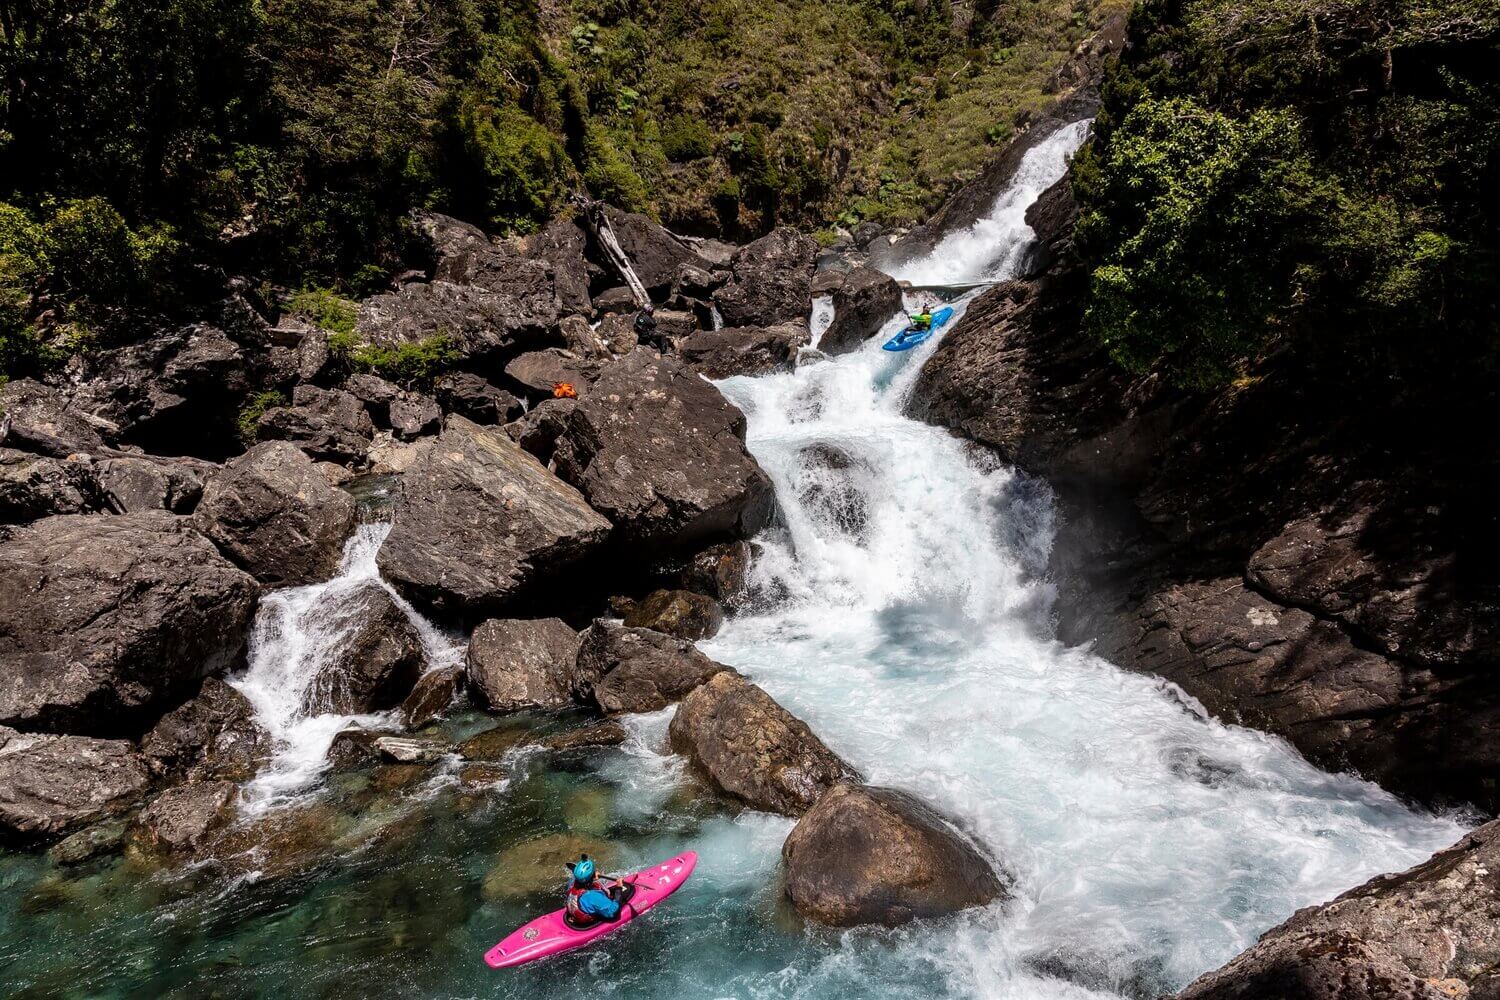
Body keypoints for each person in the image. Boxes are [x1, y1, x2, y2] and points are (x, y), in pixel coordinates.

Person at [564, 854, 628, 928]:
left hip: (576, 915)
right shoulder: (592, 896)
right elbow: (613, 912)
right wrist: (619, 889)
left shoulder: (572, 885)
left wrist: (593, 877)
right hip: (587, 923)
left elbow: (585, 883)